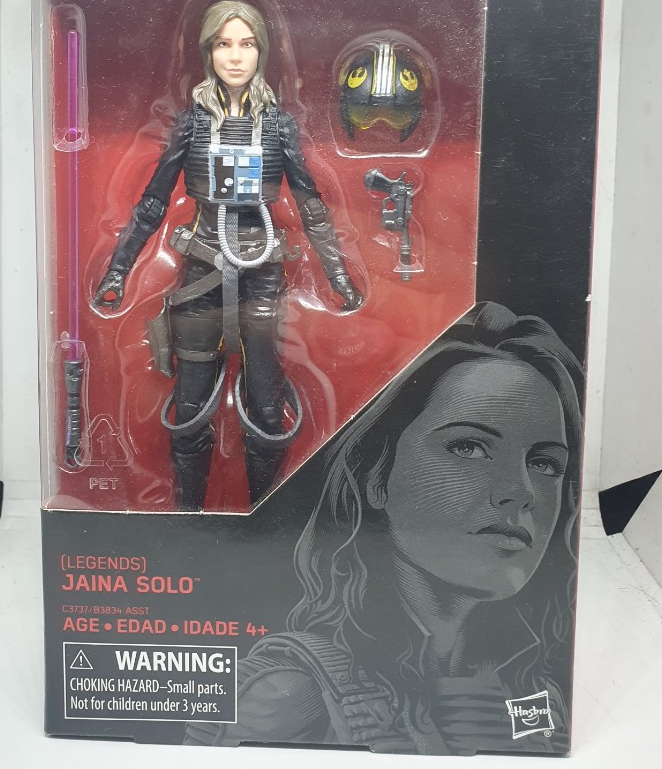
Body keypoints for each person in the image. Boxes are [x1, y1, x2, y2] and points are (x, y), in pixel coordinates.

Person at [186, 302, 582, 754]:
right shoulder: (293, 693)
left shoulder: (536, 685)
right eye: (468, 447)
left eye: (544, 463)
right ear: (376, 476)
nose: (521, 491)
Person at [94, 0, 362, 511]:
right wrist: (118, 272)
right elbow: (153, 201)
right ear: (207, 51)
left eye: (247, 44)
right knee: (191, 408)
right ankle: (189, 520)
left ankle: (264, 522)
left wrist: (339, 278)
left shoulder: (278, 126)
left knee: (266, 409)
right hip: (200, 276)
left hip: (261, 279)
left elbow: (311, 205)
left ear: (262, 51)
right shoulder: (193, 125)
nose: (235, 56)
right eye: (223, 44)